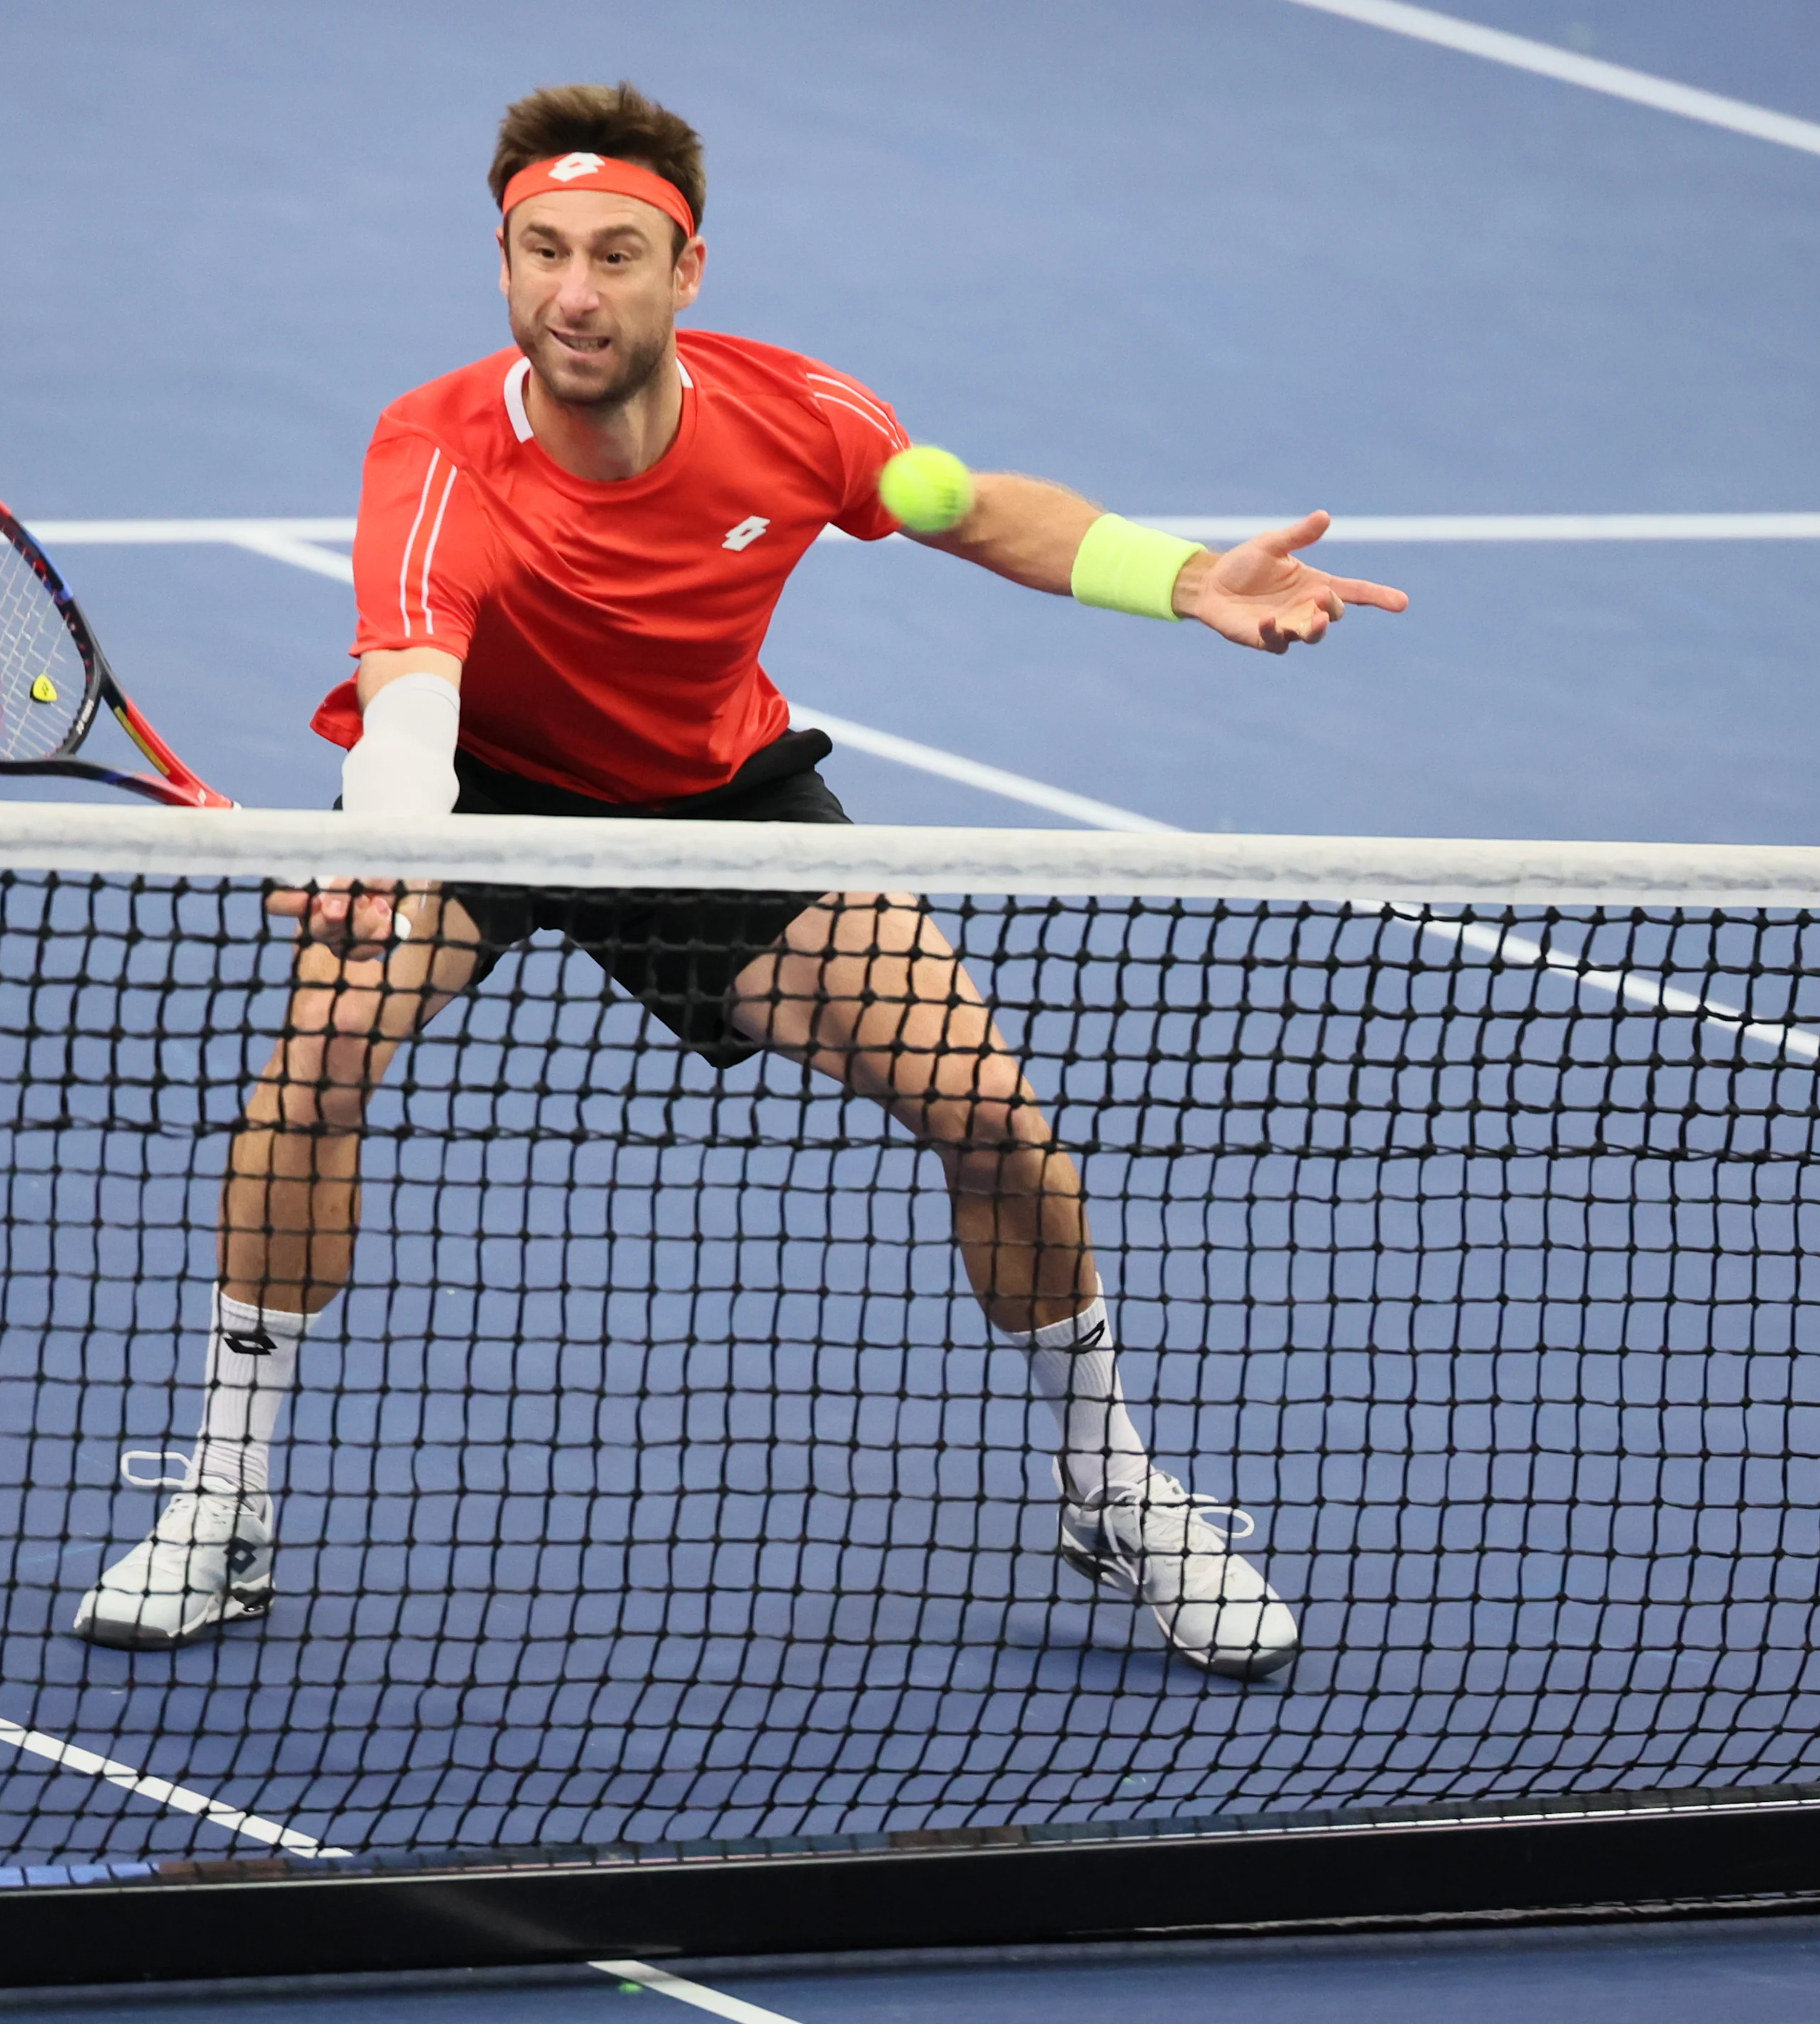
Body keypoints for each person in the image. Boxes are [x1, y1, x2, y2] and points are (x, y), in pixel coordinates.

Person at [73, 82, 1407, 1680]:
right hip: (477, 798)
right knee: (313, 1076)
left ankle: (1112, 1486)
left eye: (616, 254)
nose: (575, 290)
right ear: (502, 263)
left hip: (712, 802)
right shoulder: (434, 451)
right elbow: (415, 681)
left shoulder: (797, 413)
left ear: (685, 270)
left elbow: (980, 515)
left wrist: (1187, 577)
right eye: (541, 250)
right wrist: (386, 845)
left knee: (994, 1119)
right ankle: (223, 1496)